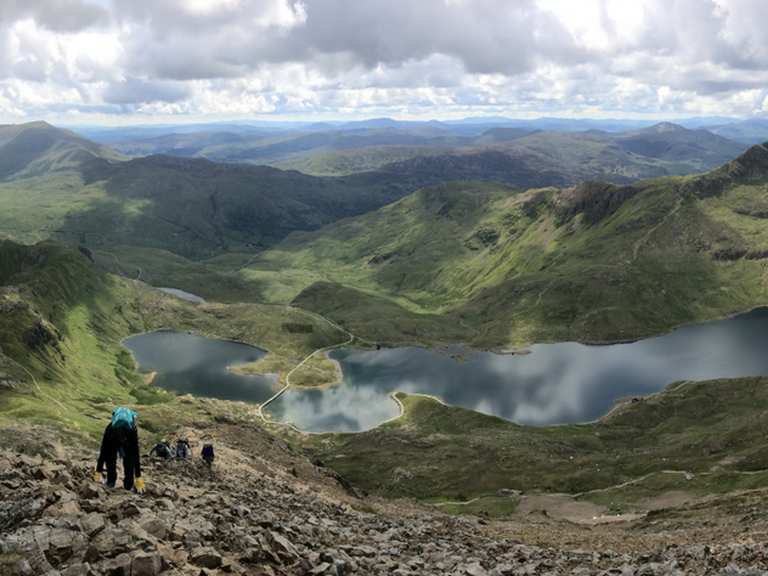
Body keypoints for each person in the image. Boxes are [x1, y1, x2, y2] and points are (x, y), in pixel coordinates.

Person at [95, 407, 144, 493]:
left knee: (110, 459)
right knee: (129, 461)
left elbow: (103, 451)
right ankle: (128, 486)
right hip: (128, 442)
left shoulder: (110, 427)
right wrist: (138, 476)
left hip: (112, 440)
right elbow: (135, 455)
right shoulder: (132, 429)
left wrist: (98, 471)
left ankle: (111, 482)